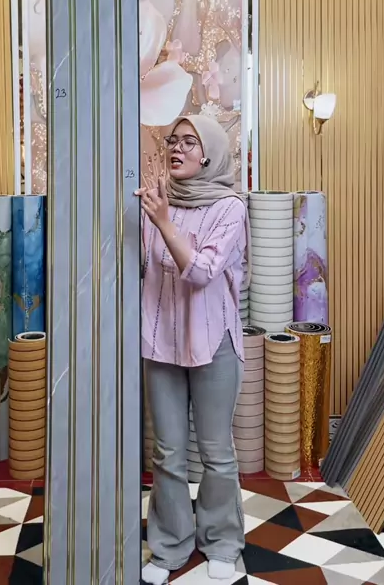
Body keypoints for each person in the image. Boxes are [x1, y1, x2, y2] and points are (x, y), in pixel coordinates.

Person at [136, 114, 249, 585]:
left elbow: (201, 272)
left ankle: (221, 543)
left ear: (209, 155)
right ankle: (169, 547)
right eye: (173, 140)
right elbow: (140, 266)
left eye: (189, 142)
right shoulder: (156, 201)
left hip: (212, 342)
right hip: (161, 340)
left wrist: (163, 223)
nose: (176, 148)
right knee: (167, 452)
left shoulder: (229, 208)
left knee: (216, 451)